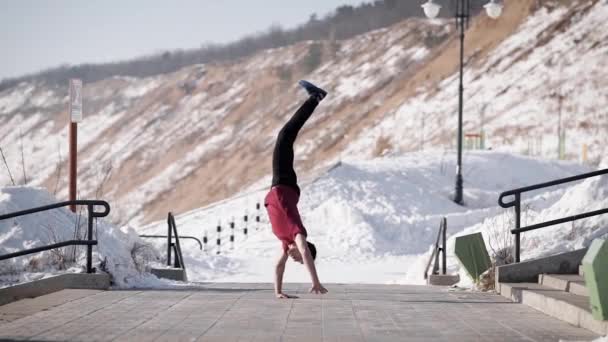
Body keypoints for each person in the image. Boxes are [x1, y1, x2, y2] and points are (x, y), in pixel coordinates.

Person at [264, 80, 328, 299]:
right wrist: (316, 282)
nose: (295, 260)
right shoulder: (297, 234)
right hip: (285, 184)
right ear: (305, 249)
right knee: (285, 138)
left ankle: (315, 98)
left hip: (280, 186)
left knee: (284, 138)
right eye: (299, 259)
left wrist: (279, 292)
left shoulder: (285, 242)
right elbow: (305, 253)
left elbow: (278, 267)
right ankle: (316, 97)